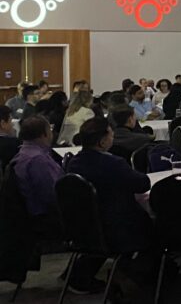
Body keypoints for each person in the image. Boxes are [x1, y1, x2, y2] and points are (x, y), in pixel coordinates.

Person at [12, 116, 106, 294]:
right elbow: (54, 195)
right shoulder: (37, 160)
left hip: (41, 214)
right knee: (104, 222)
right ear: (44, 133)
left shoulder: (26, 153)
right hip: (48, 218)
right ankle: (80, 279)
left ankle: (77, 272)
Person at [67, 118, 153, 255]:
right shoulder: (113, 163)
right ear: (102, 142)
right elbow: (142, 184)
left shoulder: (73, 163)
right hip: (119, 225)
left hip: (85, 225)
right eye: (111, 135)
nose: (113, 138)